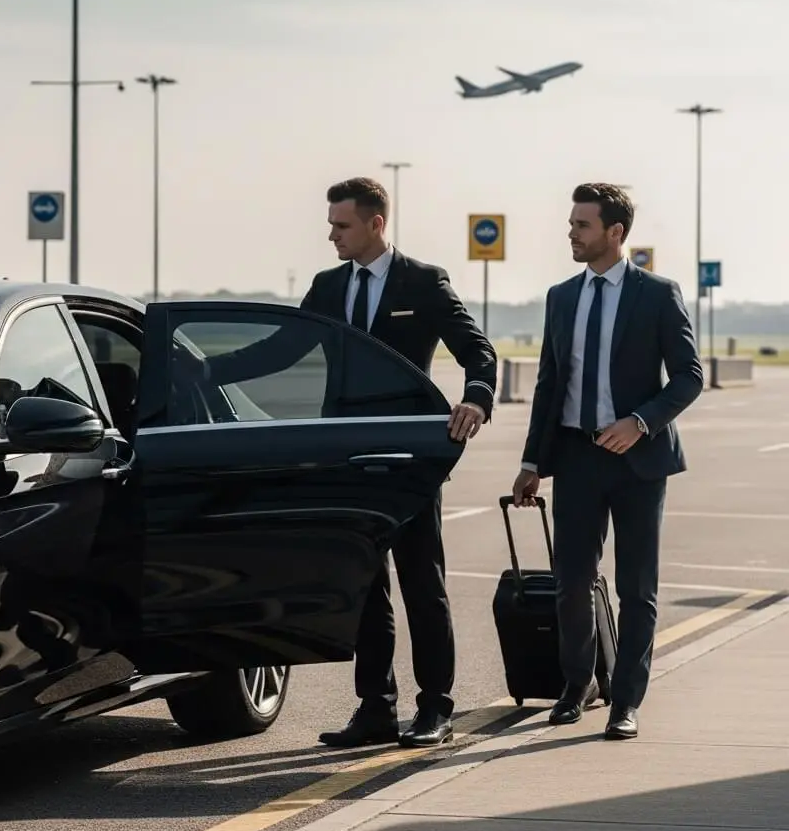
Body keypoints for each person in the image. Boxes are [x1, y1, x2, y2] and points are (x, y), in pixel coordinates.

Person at [201, 176, 498, 749]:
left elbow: (477, 350)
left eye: (341, 224)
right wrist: (207, 370)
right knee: (365, 585)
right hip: (349, 456)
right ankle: (376, 709)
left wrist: (477, 399)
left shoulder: (424, 281)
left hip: (410, 458)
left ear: (375, 224)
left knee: (422, 583)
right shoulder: (329, 285)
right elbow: (281, 350)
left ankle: (436, 707)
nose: (331, 234)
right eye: (331, 223)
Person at [511, 182, 703, 740]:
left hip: (639, 460)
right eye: (572, 223)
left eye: (582, 225)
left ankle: (626, 699)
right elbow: (549, 386)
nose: (571, 233)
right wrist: (532, 461)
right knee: (571, 582)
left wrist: (640, 421)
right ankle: (578, 685)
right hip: (575, 456)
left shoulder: (658, 294)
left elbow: (689, 376)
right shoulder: (561, 297)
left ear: (615, 233)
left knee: (636, 587)